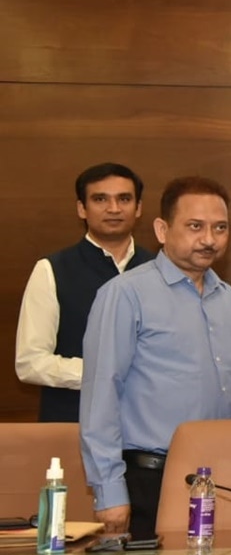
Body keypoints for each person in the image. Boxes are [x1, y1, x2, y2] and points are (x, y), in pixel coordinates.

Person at [80, 176, 231, 539]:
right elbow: (101, 394)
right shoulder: (125, 294)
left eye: (220, 228)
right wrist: (109, 490)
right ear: (162, 229)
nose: (209, 239)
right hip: (150, 480)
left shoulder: (230, 300)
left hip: (223, 479)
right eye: (195, 226)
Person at [15, 163, 155, 422]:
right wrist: (104, 373)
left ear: (138, 208)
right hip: (73, 425)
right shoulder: (52, 270)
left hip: (147, 429)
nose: (113, 209)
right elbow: (30, 363)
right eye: (100, 199)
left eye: (124, 199)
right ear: (82, 208)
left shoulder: (161, 270)